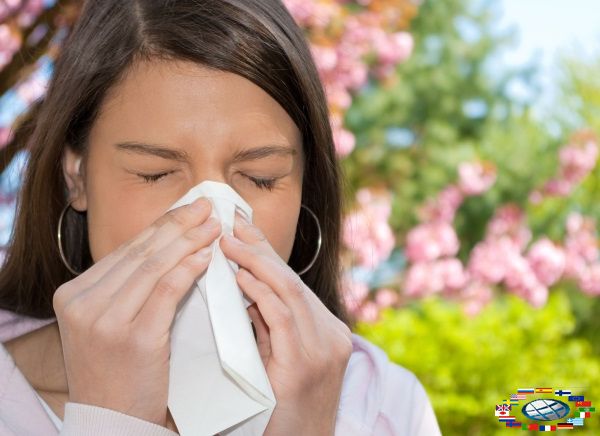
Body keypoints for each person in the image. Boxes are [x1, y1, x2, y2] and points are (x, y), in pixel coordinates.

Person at [0, 1, 441, 435]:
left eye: (261, 177)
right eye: (155, 173)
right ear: (77, 176)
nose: (212, 216)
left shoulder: (385, 407)